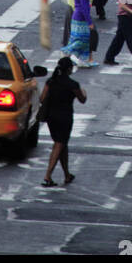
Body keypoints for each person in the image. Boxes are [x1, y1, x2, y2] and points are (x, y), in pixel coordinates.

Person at [39, 57, 86, 187]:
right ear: (69, 69)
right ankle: (47, 176)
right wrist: (84, 92)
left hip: (51, 117)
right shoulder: (73, 84)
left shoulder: (50, 81)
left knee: (62, 144)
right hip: (65, 117)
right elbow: (82, 99)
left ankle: (67, 175)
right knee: (59, 144)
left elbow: (42, 98)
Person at [61, 0, 96, 67]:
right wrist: (89, 22)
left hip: (76, 17)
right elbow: (85, 9)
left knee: (76, 38)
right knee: (82, 40)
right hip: (81, 19)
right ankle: (68, 52)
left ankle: (80, 59)